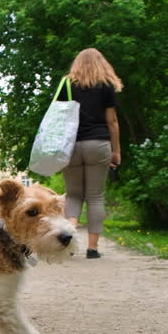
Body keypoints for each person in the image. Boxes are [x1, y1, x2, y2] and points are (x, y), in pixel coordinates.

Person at [57, 48, 122, 259]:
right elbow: (112, 121)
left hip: (72, 145)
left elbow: (59, 116)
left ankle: (68, 242)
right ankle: (92, 249)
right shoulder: (106, 86)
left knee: (73, 195)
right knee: (95, 196)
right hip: (98, 143)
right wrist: (116, 150)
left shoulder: (67, 84)